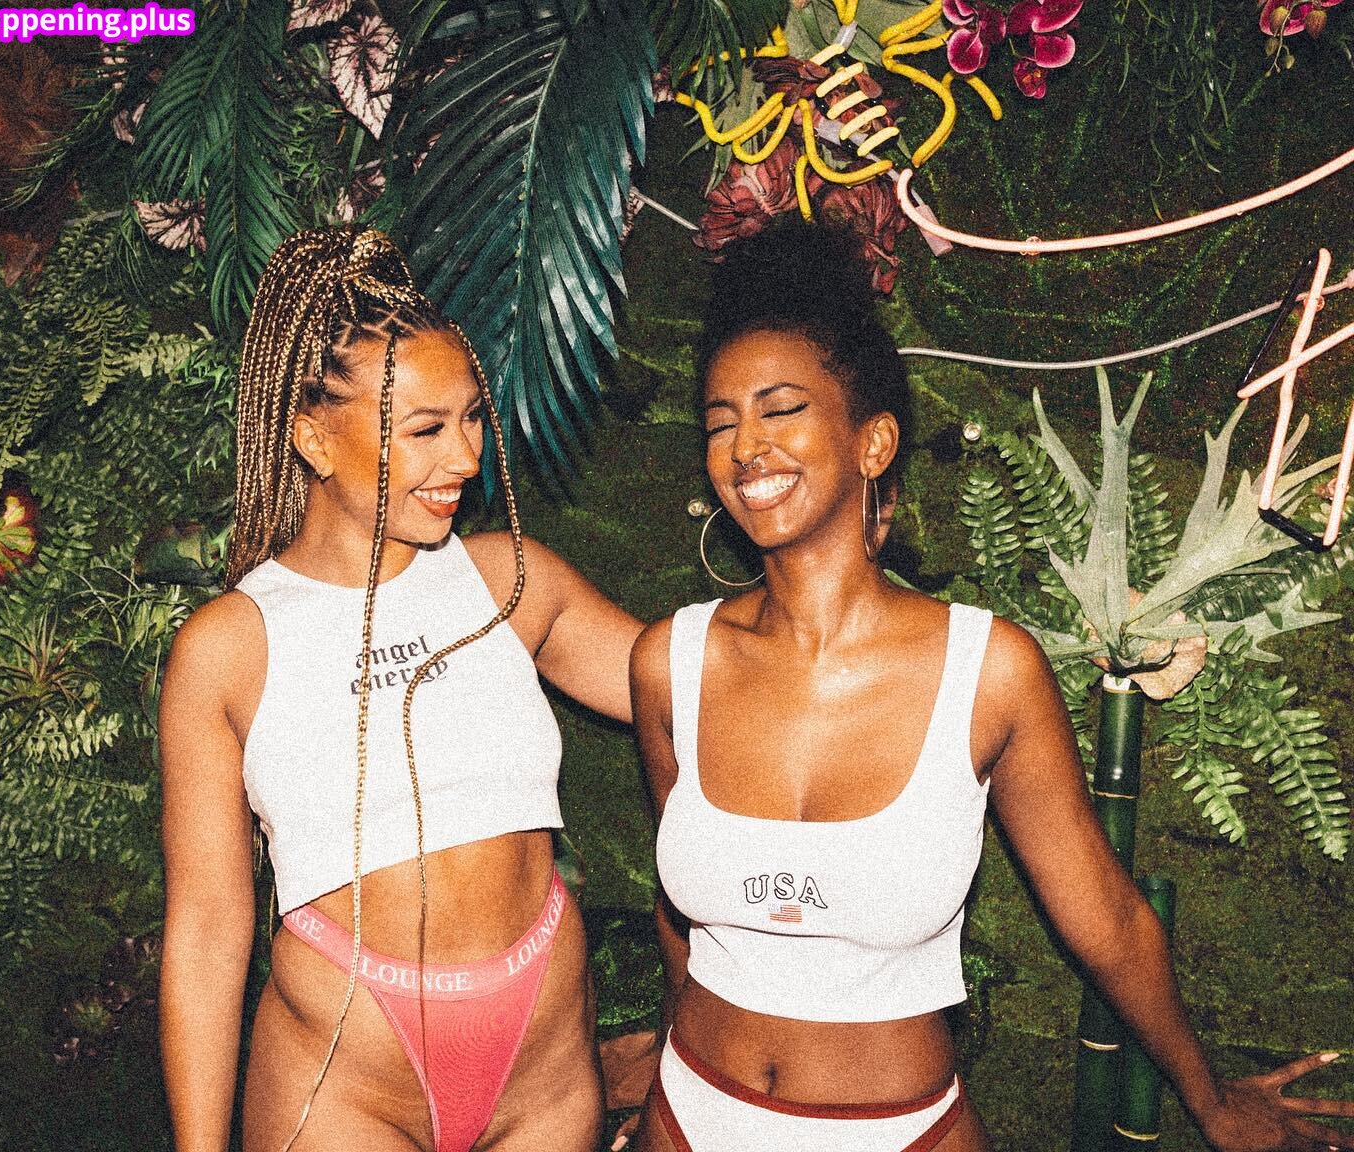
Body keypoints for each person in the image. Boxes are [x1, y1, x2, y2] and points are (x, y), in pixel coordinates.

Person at [627, 223, 1354, 1152]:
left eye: (781, 410)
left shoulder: (988, 672)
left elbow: (1107, 918)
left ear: (873, 442)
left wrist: (1211, 1103)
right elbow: (679, 918)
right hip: (691, 1112)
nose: (746, 447)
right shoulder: (671, 662)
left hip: (897, 1130)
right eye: (721, 423)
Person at [158, 227, 642, 1152]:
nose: (464, 457)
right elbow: (210, 930)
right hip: (344, 1084)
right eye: (425, 429)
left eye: (471, 418)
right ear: (312, 438)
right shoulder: (229, 648)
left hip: (541, 1072)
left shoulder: (511, 581)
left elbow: (698, 689)